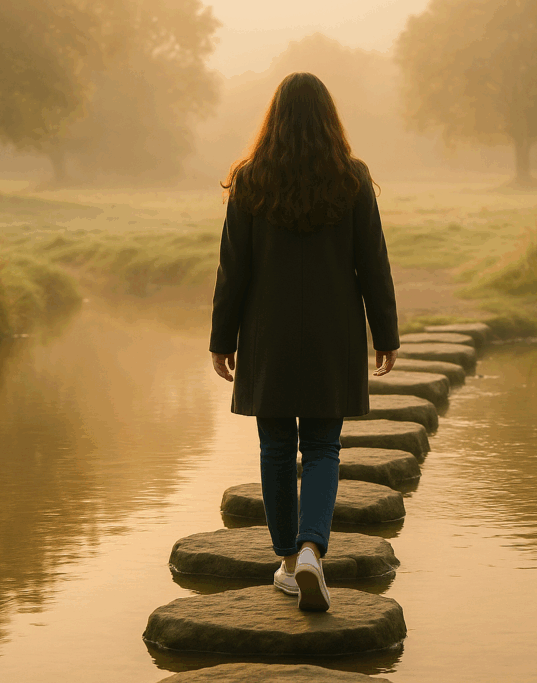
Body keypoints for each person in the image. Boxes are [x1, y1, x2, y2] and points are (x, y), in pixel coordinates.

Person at [209, 72, 399, 612]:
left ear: (273, 120)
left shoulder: (250, 180)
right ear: (329, 119)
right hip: (332, 334)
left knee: (274, 448)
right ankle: (314, 548)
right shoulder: (352, 179)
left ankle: (290, 564)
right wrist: (385, 333)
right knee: (321, 447)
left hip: (267, 335)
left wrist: (222, 339)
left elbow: (233, 270)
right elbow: (373, 264)